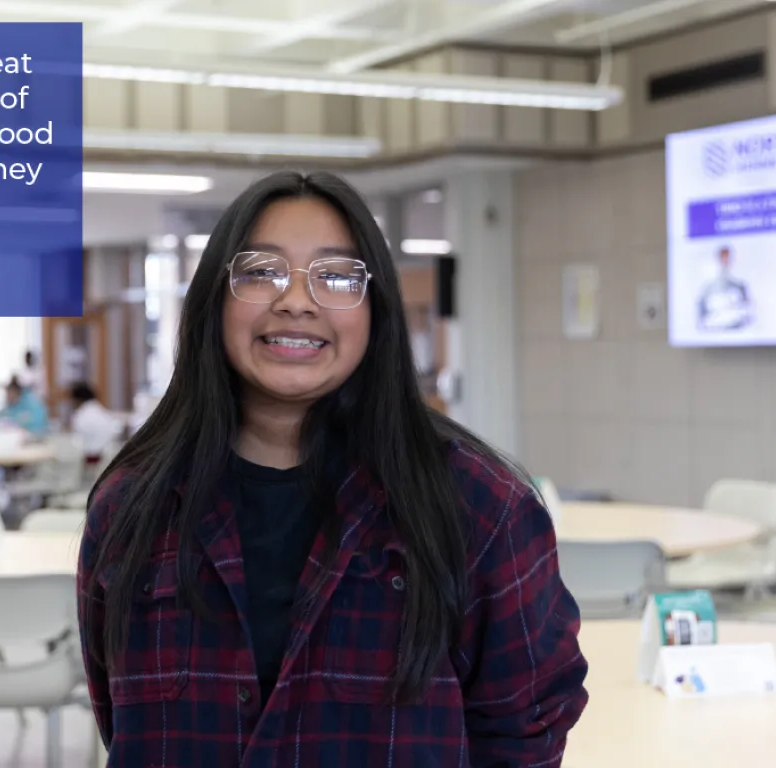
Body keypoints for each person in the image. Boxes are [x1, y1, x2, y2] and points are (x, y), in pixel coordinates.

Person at [77, 171, 588, 766]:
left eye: (338, 277)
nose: (295, 300)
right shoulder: (131, 504)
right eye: (262, 271)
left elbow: (524, 734)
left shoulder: (480, 506)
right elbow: (121, 720)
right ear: (214, 300)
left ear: (377, 311)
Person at [697, 245, 753, 331]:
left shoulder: (740, 285)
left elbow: (747, 312)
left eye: (727, 258)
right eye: (723, 257)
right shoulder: (708, 288)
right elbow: (702, 316)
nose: (725, 261)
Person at [68, 382, 126, 462]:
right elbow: (116, 430)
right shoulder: (105, 414)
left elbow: (76, 440)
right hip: (107, 459)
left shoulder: (80, 416)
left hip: (89, 459)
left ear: (77, 399)